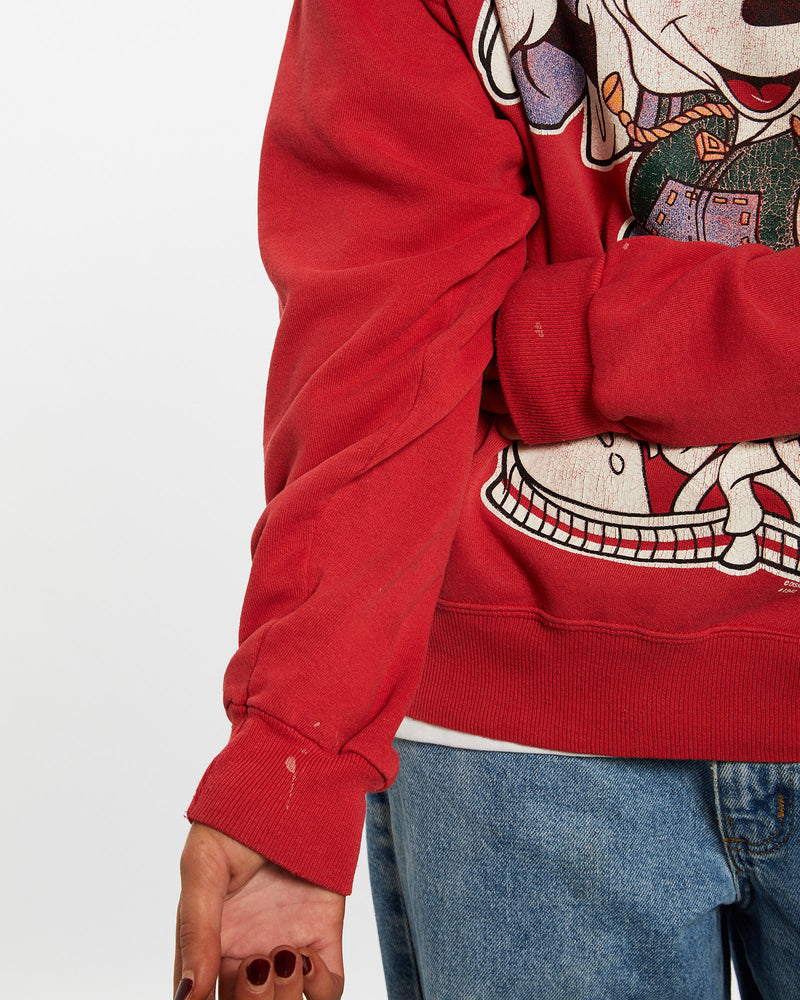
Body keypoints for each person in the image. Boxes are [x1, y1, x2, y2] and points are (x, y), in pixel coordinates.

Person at [174, 2, 800, 998]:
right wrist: (297, 755)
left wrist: (562, 337)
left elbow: (449, 343)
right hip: (517, 741)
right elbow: (383, 356)